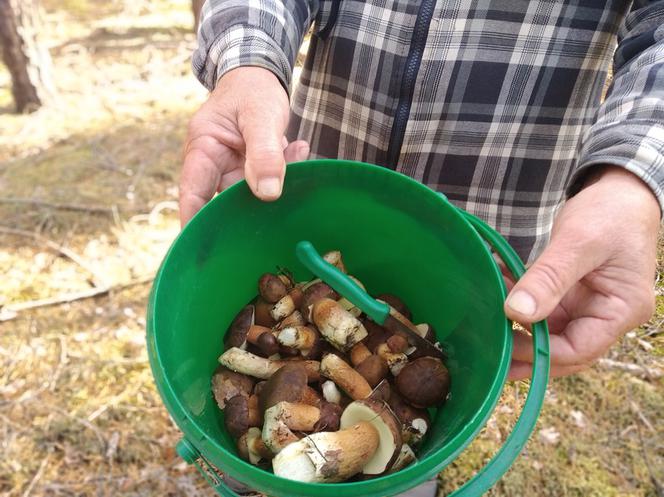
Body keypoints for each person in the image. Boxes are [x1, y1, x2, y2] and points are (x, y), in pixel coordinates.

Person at [179, 1, 662, 494]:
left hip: (478, 250)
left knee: (400, 472)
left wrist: (633, 175)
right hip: (316, 182)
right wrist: (247, 63)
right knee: (259, 482)